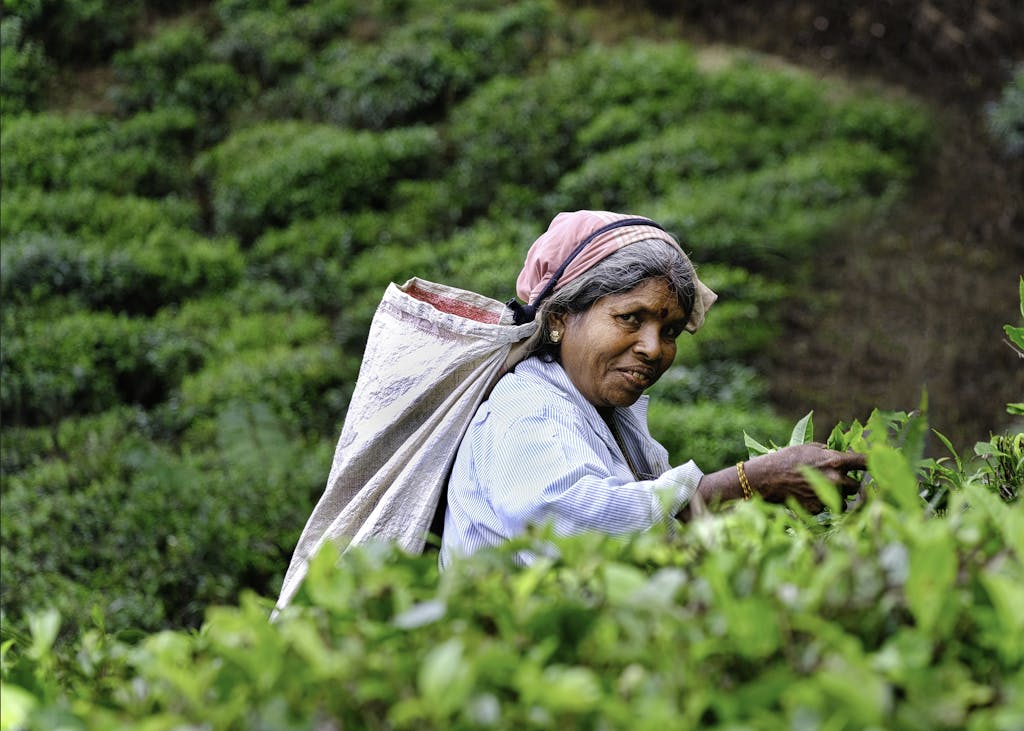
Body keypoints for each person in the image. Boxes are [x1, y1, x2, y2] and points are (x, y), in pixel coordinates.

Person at [438, 210, 865, 568]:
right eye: (630, 318)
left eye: (671, 330)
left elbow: (659, 536)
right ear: (559, 318)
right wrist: (750, 483)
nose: (652, 348)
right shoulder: (528, 409)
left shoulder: (607, 414)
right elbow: (575, 533)